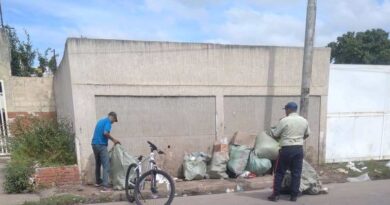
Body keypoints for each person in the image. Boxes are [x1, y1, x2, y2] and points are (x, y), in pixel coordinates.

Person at [268, 102, 310, 202]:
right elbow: (307, 134)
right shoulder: (304, 121)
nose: (285, 112)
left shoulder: (284, 121)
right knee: (296, 173)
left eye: (286, 110)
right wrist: (299, 139)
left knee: (279, 172)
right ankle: (293, 196)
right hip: (298, 149)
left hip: (286, 149)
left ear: (289, 110)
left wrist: (272, 133)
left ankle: (276, 195)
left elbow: (276, 134)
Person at [91, 111, 121, 192]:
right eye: (114, 120)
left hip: (94, 144)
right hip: (101, 145)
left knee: (98, 163)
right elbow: (105, 133)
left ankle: (98, 182)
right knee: (106, 165)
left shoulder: (100, 121)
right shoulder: (108, 122)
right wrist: (114, 140)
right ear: (112, 117)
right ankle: (105, 186)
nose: (113, 122)